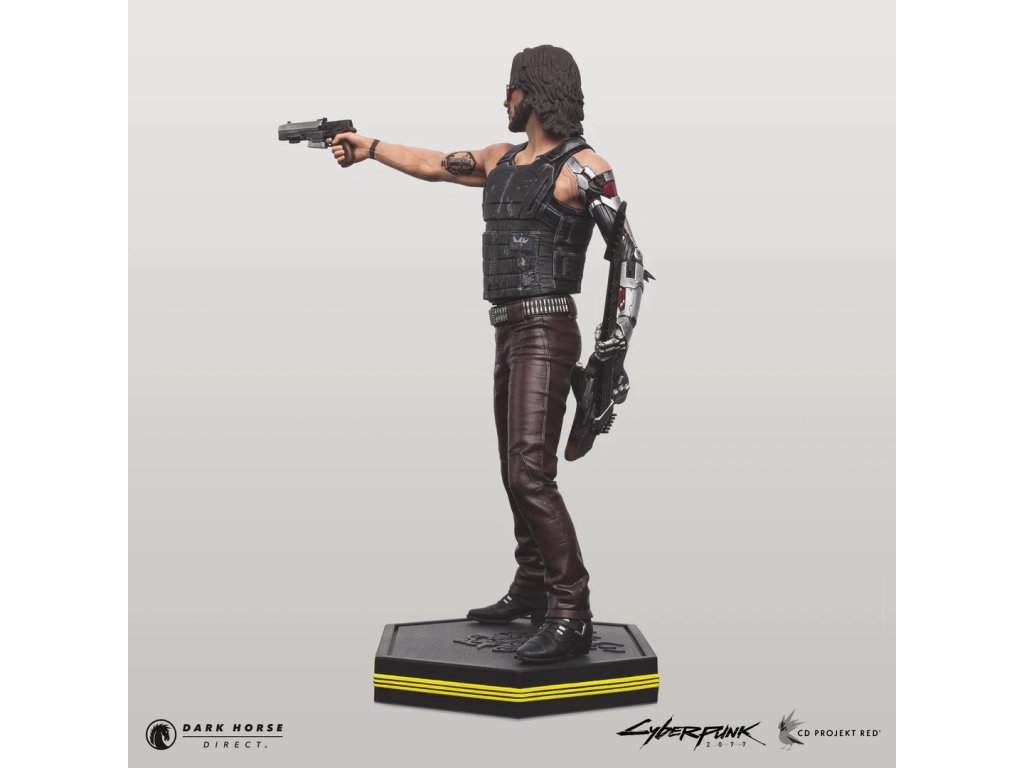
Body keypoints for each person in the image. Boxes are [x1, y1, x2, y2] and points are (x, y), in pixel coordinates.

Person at [329, 45, 650, 663]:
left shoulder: (584, 168)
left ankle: (571, 609)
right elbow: (433, 164)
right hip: (508, 331)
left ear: (534, 91)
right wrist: (368, 147)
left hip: (548, 332)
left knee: (530, 472)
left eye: (511, 89)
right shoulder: (501, 159)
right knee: (513, 468)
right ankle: (533, 585)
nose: (504, 99)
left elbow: (629, 259)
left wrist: (610, 356)